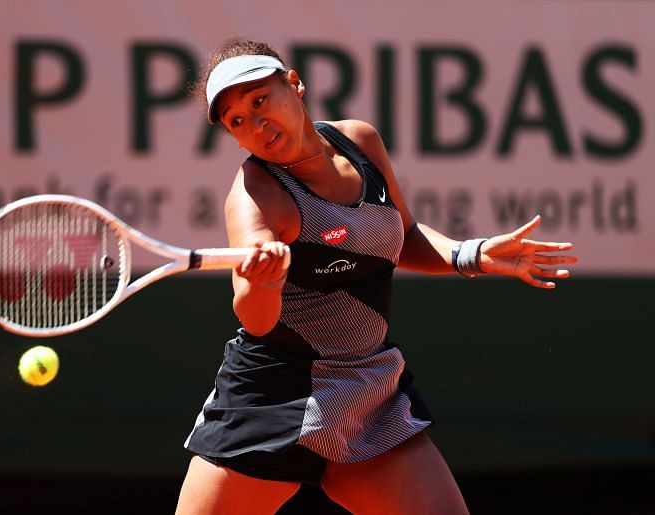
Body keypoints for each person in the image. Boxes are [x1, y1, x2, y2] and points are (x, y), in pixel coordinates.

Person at [176, 39, 577, 515]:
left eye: (260, 100)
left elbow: (401, 234)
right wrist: (263, 281)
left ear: (295, 83)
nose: (256, 124)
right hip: (272, 401)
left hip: (368, 394)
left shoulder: (359, 141)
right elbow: (255, 317)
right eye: (236, 120)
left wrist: (473, 253)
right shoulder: (257, 197)